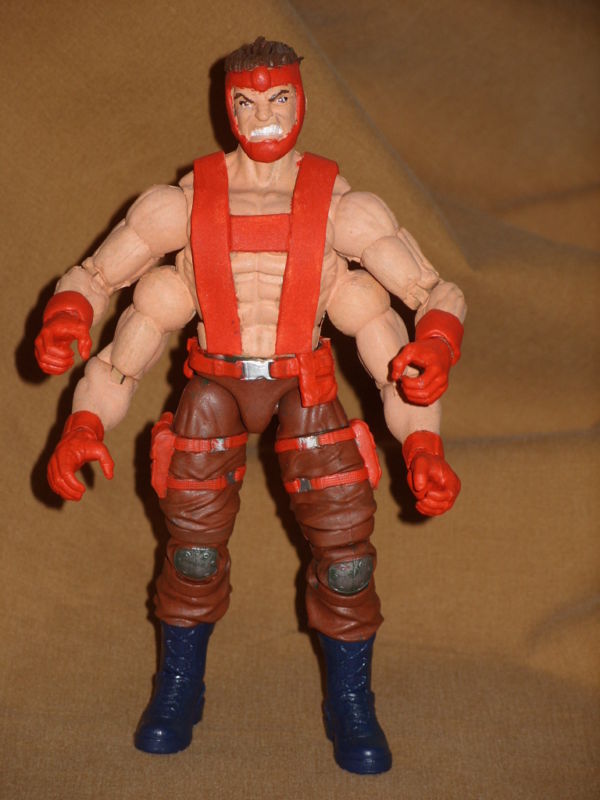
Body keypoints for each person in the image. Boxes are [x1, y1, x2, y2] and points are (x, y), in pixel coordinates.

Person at [35, 37, 466, 775]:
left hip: (307, 385)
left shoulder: (343, 208)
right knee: (193, 554)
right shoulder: (183, 205)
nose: (264, 115)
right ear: (227, 107)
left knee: (346, 563)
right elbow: (103, 291)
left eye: (278, 98)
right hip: (214, 384)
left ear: (302, 100)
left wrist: (424, 435)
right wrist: (81, 410)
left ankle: (351, 701)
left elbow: (424, 306)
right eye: (246, 101)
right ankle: (179, 688)